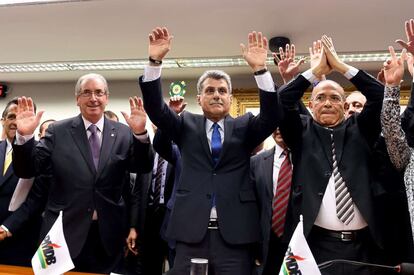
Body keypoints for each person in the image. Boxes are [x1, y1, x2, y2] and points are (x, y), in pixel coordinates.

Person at [139, 27, 281, 274]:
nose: (216, 95)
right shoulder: (186, 125)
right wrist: (155, 62)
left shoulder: (244, 125)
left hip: (235, 236)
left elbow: (270, 117)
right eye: (210, 91)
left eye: (222, 90)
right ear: (199, 97)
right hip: (190, 233)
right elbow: (156, 109)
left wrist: (260, 70)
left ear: (230, 96)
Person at [0, 73, 153, 274]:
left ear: (106, 97)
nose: (93, 98)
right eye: (86, 92)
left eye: (99, 92)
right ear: (77, 99)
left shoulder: (124, 132)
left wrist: (141, 134)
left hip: (108, 236)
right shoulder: (58, 131)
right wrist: (25, 137)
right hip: (63, 236)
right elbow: (28, 169)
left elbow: (142, 166)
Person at [279, 35, 387, 274]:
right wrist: (314, 71)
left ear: (344, 104)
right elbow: (283, 99)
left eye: (335, 98)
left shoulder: (361, 129)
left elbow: (380, 94)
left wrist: (339, 66)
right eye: (320, 98)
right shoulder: (300, 132)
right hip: (315, 247)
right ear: (312, 104)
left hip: (364, 248)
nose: (327, 103)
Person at [0, 97, 41, 266]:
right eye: (11, 116)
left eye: (22, 117)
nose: (16, 122)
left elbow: (38, 198)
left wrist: (6, 228)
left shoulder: (42, 152)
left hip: (20, 237)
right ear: (2, 121)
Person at [250, 128, 291, 275]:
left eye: (283, 124)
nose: (279, 129)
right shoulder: (256, 162)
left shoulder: (307, 158)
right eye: (275, 125)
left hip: (298, 241)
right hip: (266, 242)